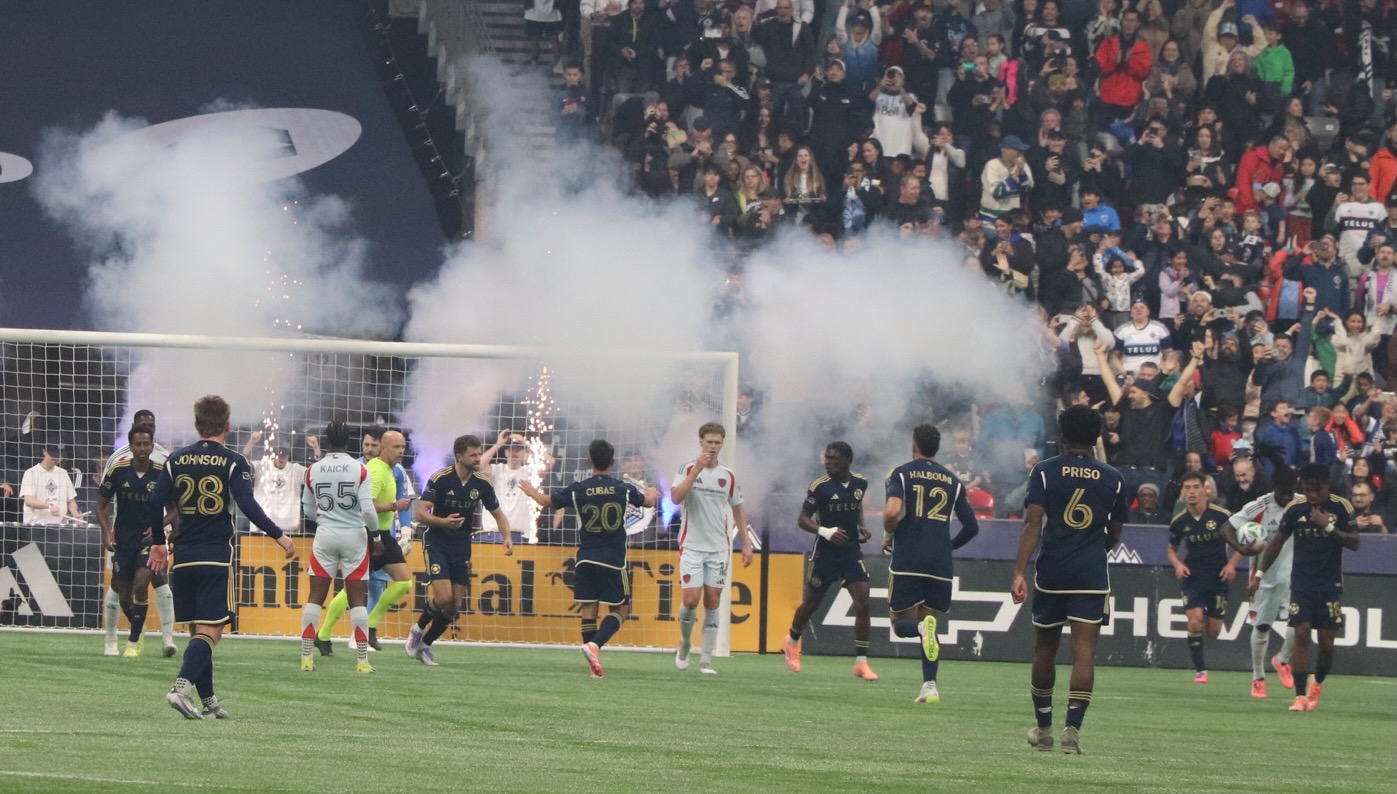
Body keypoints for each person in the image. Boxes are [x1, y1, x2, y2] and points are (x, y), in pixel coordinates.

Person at [149, 395, 296, 719]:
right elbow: (247, 504)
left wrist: (159, 543)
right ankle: (180, 690)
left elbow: (155, 502)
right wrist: (279, 535)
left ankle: (209, 700)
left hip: (183, 556)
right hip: (216, 556)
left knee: (198, 632)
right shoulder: (234, 461)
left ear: (197, 424)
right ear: (227, 426)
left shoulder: (175, 459)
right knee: (212, 631)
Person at [1012, 405, 1126, 754]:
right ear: (1096, 437)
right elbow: (1115, 532)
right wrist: (1092, 550)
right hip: (1091, 573)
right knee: (1084, 653)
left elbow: (1033, 523)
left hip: (1052, 571)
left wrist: (1018, 572)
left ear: (1062, 435)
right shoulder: (1114, 477)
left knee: (1045, 649)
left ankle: (1044, 728)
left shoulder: (1045, 471)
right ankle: (1072, 732)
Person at [520, 439, 657, 677]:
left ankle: (593, 665)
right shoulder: (622, 488)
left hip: (585, 558)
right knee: (622, 609)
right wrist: (652, 493)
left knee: (589, 610)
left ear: (589, 460)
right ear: (613, 461)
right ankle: (595, 645)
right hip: (613, 559)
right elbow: (648, 502)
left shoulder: (579, 488)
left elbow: (546, 502)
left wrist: (531, 491)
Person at [880, 426, 980, 704]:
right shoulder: (953, 481)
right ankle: (930, 685)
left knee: (901, 623)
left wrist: (887, 534)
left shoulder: (900, 473)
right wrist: (949, 547)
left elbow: (892, 511)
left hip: (908, 559)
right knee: (930, 622)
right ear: (937, 448)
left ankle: (920, 631)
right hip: (940, 564)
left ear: (914, 445)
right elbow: (972, 527)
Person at [1257, 463, 1361, 711]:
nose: (1312, 495)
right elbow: (1276, 542)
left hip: (1329, 585)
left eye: (1317, 489)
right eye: (1307, 489)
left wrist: (1328, 526)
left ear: (1327, 486)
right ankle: (1300, 696)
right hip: (1302, 583)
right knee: (1301, 634)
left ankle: (1318, 683)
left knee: (1326, 643)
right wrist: (1259, 574)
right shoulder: (1295, 509)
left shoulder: (1341, 507)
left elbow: (1355, 542)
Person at [406, 435, 513, 666]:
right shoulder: (441, 479)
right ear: (459, 456)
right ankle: (418, 628)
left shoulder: (481, 483)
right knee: (444, 597)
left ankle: (425, 645)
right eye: (473, 455)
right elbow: (420, 513)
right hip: (437, 542)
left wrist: (507, 537)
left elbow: (498, 514)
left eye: (479, 454)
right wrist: (444, 522)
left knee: (454, 605)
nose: (478, 458)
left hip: (461, 546)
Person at [782, 442, 878, 680]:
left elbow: (856, 507)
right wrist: (825, 531)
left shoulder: (860, 483)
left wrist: (861, 526)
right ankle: (792, 640)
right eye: (827, 458)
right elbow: (803, 519)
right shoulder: (819, 487)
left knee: (863, 603)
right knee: (811, 603)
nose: (828, 463)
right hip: (825, 554)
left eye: (834, 459)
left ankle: (861, 662)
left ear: (847, 460)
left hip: (851, 552)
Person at [316, 429, 415, 655]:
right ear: (384, 448)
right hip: (369, 534)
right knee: (354, 588)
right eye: (396, 447)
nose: (401, 451)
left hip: (384, 534)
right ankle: (324, 635)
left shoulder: (392, 470)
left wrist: (405, 530)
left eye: (403, 447)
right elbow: (365, 506)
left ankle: (369, 625)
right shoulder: (376, 471)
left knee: (403, 583)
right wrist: (393, 506)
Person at [670, 421, 752, 675]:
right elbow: (675, 497)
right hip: (692, 545)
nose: (713, 446)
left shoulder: (728, 476)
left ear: (722, 444)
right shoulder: (687, 468)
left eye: (717, 442)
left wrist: (746, 542)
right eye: (709, 442)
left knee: (713, 600)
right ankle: (685, 643)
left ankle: (706, 659)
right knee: (691, 600)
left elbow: (738, 509)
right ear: (701, 442)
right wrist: (696, 471)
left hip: (718, 547)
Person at [297, 420, 378, 673]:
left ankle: (306, 658)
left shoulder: (313, 469)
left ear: (327, 440)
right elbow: (368, 510)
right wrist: (376, 536)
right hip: (354, 536)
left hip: (326, 535)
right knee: (357, 599)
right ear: (349, 441)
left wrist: (324, 519)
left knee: (315, 597)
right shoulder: (360, 469)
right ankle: (362, 661)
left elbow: (307, 508)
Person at [100, 410, 176, 659]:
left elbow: (175, 505)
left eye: (150, 426)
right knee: (121, 588)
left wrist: (169, 531)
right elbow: (104, 499)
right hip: (123, 532)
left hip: (154, 533)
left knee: (156, 579)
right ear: (132, 432)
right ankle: (115, 636)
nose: (143, 444)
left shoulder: (166, 460)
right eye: (142, 425)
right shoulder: (118, 460)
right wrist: (108, 531)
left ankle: (166, 639)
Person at [1223, 465, 1298, 699]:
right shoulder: (1260, 505)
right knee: (1262, 627)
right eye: (1282, 494)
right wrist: (1240, 549)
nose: (1286, 498)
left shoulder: (1301, 503)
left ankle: (1282, 659)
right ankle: (1258, 678)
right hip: (1264, 577)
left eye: (1290, 493)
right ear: (1274, 489)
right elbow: (1226, 528)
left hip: (1294, 575)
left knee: (1299, 622)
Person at [1167, 471, 1241, 684]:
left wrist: (1232, 565)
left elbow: (1239, 543)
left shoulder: (1221, 515)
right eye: (1187, 488)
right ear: (1183, 492)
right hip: (1193, 577)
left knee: (1214, 631)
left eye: (1195, 487)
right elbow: (1171, 549)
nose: (1191, 492)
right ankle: (1201, 671)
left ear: (1205, 491)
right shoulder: (1179, 521)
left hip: (1218, 577)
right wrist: (1178, 565)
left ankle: (1207, 615)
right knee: (1194, 621)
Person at [479, 429, 556, 544]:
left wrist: (526, 442)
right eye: (510, 450)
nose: (513, 453)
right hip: (494, 532)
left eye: (518, 449)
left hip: (521, 534)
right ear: (506, 452)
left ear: (525, 453)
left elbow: (550, 462)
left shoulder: (530, 472)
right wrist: (498, 444)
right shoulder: (497, 469)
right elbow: (479, 466)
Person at [243, 432, 307, 533]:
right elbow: (242, 467)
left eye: (284, 454)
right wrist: (250, 443)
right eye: (278, 453)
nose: (281, 457)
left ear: (288, 454)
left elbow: (315, 475)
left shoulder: (296, 469)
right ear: (273, 453)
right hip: (261, 529)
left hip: (290, 529)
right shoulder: (262, 466)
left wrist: (316, 450)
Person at [20, 443, 82, 526]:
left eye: (58, 457)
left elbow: (70, 500)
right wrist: (49, 506)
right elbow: (29, 500)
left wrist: (75, 513)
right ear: (44, 452)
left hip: (60, 526)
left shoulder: (63, 473)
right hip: (36, 525)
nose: (56, 459)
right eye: (53, 456)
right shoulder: (30, 473)